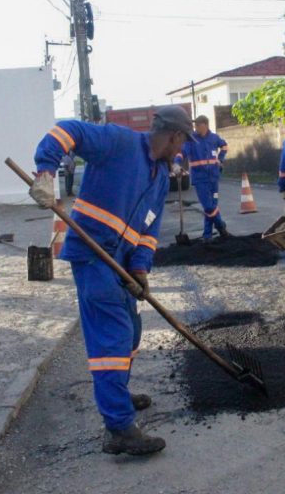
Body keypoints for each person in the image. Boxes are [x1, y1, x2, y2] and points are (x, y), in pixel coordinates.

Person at [28, 105, 193, 456]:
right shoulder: (119, 143)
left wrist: (140, 270)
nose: (182, 150)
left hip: (120, 261)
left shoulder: (160, 177)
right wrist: (46, 172)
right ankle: (118, 427)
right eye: (183, 142)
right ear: (174, 135)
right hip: (92, 255)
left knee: (131, 331)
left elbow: (148, 231)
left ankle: (117, 390)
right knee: (112, 336)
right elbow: (66, 130)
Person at [173, 115, 229, 241]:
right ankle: (221, 225)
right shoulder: (191, 140)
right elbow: (182, 153)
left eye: (198, 125)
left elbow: (224, 146)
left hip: (214, 177)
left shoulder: (214, 138)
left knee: (213, 204)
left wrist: (221, 159)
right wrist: (176, 163)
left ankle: (207, 235)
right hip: (200, 179)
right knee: (209, 206)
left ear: (205, 125)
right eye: (195, 125)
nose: (196, 127)